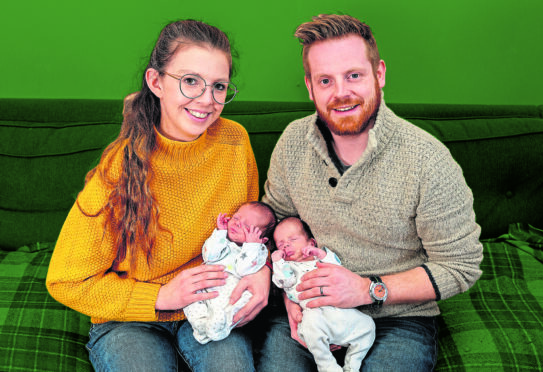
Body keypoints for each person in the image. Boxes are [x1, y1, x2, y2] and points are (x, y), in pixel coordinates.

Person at [258, 14, 483, 372]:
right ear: (309, 86)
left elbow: (461, 265)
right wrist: (291, 298)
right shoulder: (292, 144)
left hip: (398, 317)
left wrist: (368, 289)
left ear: (379, 74)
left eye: (353, 76)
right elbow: (276, 222)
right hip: (310, 308)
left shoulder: (428, 160)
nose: (341, 92)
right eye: (325, 80)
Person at [46, 19, 270, 372]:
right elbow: (65, 279)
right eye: (191, 82)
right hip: (130, 319)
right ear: (156, 82)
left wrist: (262, 270)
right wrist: (161, 296)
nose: (207, 101)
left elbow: (250, 232)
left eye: (219, 86)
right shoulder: (119, 168)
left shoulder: (234, 142)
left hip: (213, 307)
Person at [271, 217, 375, 372]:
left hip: (341, 312)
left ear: (311, 243)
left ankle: (353, 363)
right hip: (314, 314)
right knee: (309, 325)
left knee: (368, 326)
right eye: (280, 244)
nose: (286, 245)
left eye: (293, 239)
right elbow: (284, 282)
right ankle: (326, 365)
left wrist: (318, 253)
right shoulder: (288, 268)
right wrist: (278, 262)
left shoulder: (322, 259)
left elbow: (336, 267)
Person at [184, 201, 276, 344]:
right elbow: (209, 256)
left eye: (247, 227)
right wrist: (220, 232)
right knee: (191, 295)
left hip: (231, 291)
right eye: (236, 218)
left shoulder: (258, 252)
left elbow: (243, 268)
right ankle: (200, 325)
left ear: (261, 240)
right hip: (207, 284)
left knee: (245, 300)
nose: (238, 224)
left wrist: (252, 245)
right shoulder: (222, 240)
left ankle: (222, 325)